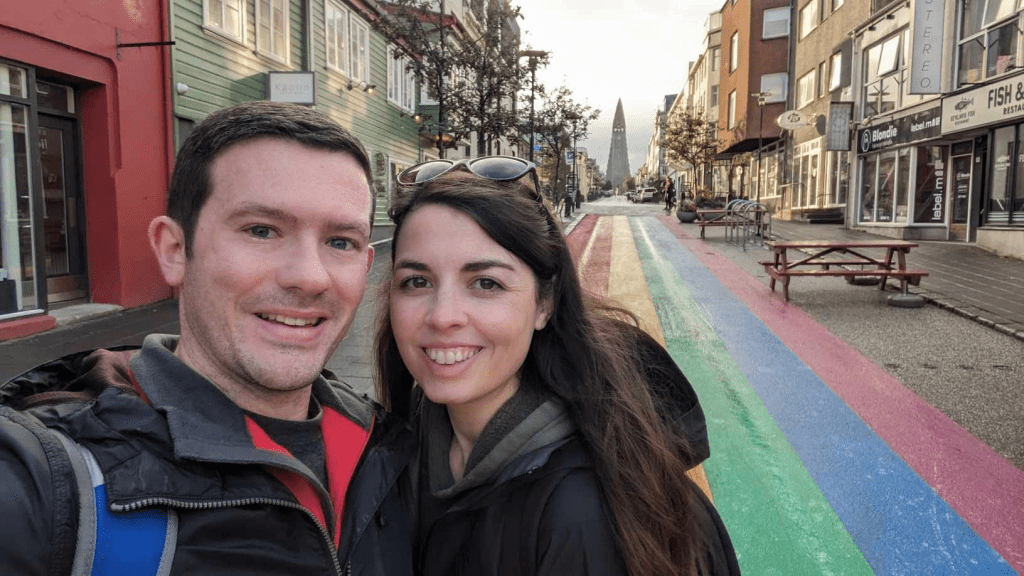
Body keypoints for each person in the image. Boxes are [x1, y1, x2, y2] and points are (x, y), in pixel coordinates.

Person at [0, 101, 415, 575]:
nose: (310, 277)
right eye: (262, 230)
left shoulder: (389, 447)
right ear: (175, 250)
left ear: (365, 265)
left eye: (340, 241)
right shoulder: (44, 482)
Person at [374, 156, 739, 576]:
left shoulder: (582, 518)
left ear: (544, 303)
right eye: (417, 282)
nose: (442, 317)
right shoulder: (411, 439)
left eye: (485, 283)